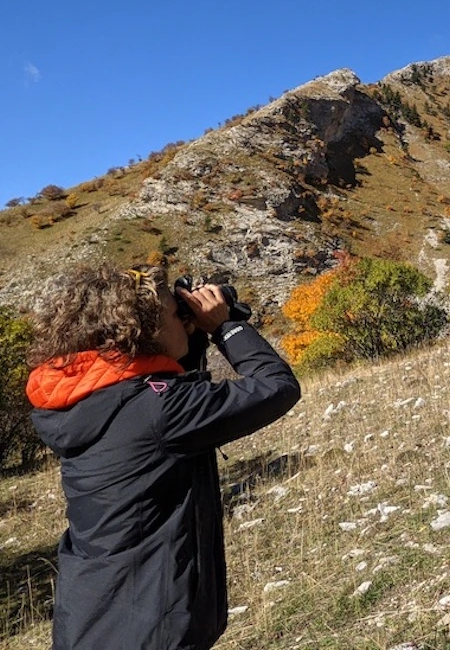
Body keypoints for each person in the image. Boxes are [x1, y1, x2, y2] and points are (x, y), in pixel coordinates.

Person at [26, 262, 301, 650]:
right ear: (146, 331)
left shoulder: (88, 401)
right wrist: (225, 327)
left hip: (94, 619)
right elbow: (277, 387)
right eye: (176, 313)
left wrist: (190, 340)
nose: (184, 318)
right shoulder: (164, 412)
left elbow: (155, 392)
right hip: (151, 628)